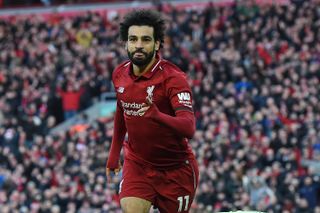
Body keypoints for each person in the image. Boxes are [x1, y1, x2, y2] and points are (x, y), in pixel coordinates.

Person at [106, 9, 199, 213]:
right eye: (133, 39)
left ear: (157, 44)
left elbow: (189, 127)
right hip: (138, 163)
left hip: (175, 170)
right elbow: (122, 110)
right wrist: (114, 153)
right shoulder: (120, 74)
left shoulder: (173, 78)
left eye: (146, 39)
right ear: (126, 43)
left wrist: (157, 116)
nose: (138, 45)